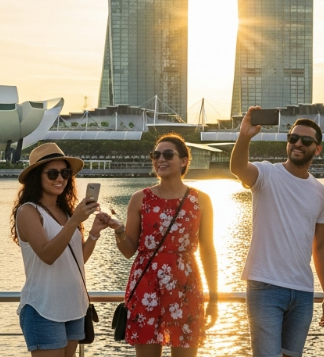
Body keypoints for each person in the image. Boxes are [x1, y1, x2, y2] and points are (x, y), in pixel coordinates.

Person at [230, 107, 324, 357]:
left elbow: (320, 246)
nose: (298, 143)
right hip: (265, 285)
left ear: (317, 149)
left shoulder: (320, 191)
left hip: (302, 290)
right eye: (293, 138)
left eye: (306, 140)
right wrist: (244, 136)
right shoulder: (267, 174)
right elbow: (238, 168)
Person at [112, 133, 218, 357]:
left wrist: (214, 297)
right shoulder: (140, 199)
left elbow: (208, 250)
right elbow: (128, 250)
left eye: (168, 154)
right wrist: (118, 230)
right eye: (156, 154)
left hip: (185, 285)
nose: (160, 159)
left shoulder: (201, 200)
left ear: (184, 161)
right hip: (146, 285)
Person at [11, 143, 112, 356]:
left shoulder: (66, 213)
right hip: (43, 308)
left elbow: (77, 260)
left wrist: (93, 232)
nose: (60, 179)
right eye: (53, 173)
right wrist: (75, 220)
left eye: (65, 173)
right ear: (37, 177)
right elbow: (48, 255)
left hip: (74, 306)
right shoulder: (28, 211)